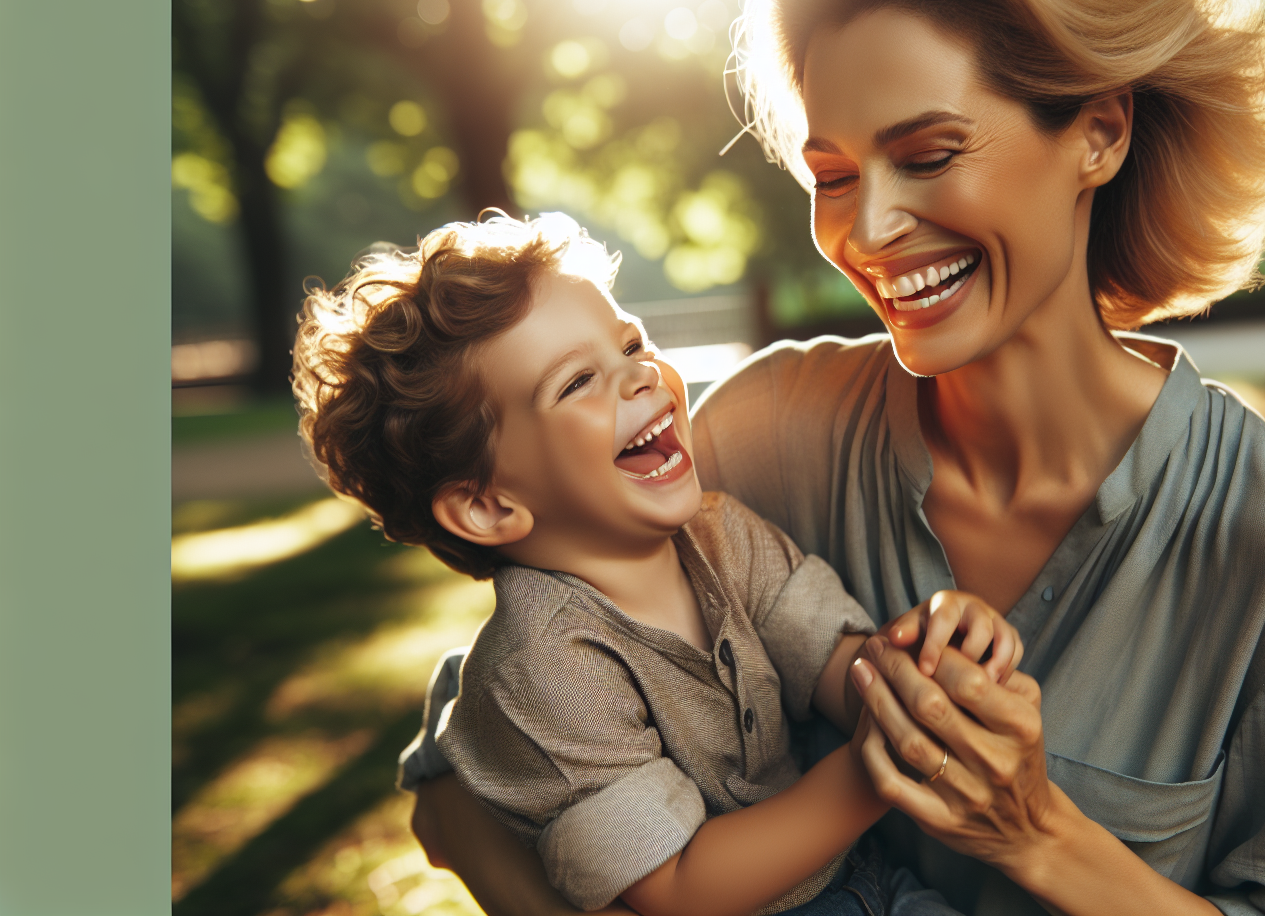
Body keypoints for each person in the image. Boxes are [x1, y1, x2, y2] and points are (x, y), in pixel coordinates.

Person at [409, 0, 1265, 914]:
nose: (871, 228)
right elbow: (482, 744)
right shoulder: (761, 439)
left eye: (930, 155)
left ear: (1099, 133)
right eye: (834, 175)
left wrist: (1041, 836)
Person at [291, 213, 1022, 916]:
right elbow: (678, 889)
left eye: (632, 345)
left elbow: (837, 663)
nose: (642, 378)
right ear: (488, 507)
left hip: (866, 885)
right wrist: (868, 774)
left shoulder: (721, 535)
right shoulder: (543, 671)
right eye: (578, 382)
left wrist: (925, 668)